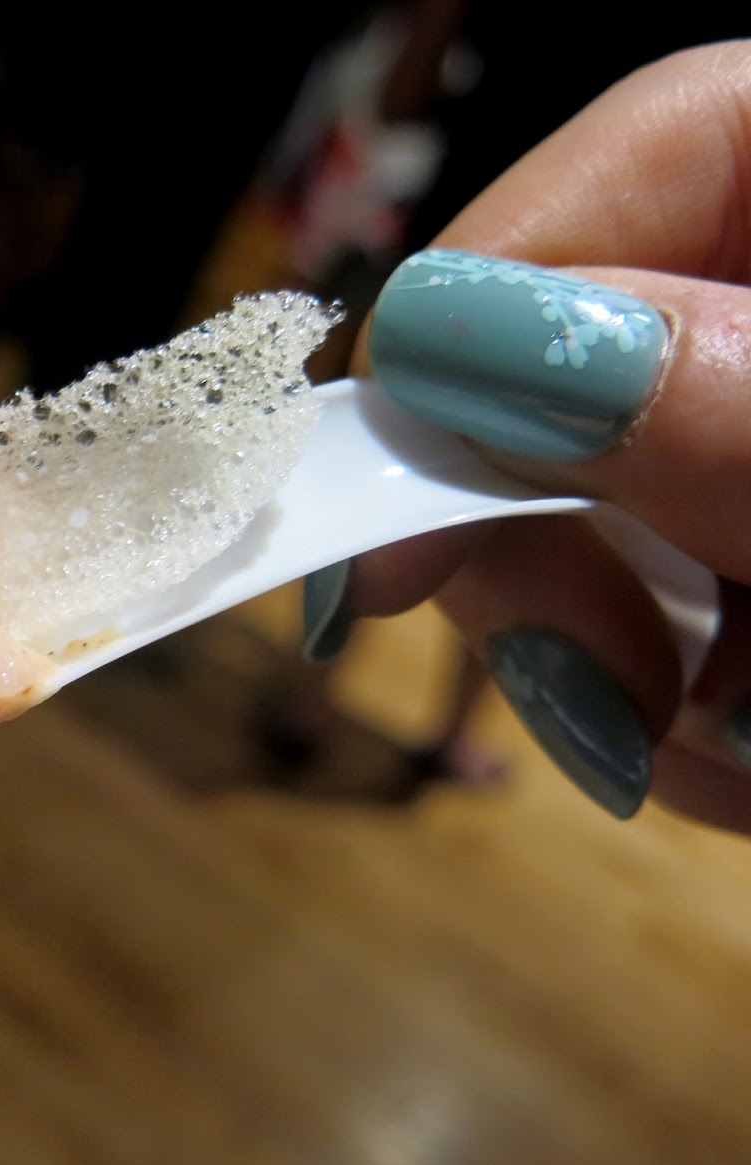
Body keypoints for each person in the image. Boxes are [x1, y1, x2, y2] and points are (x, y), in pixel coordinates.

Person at [302, 39, 751, 836]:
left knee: (471, 504)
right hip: (497, 242)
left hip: (523, 239)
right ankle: (397, 717)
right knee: (447, 480)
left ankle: (324, 699)